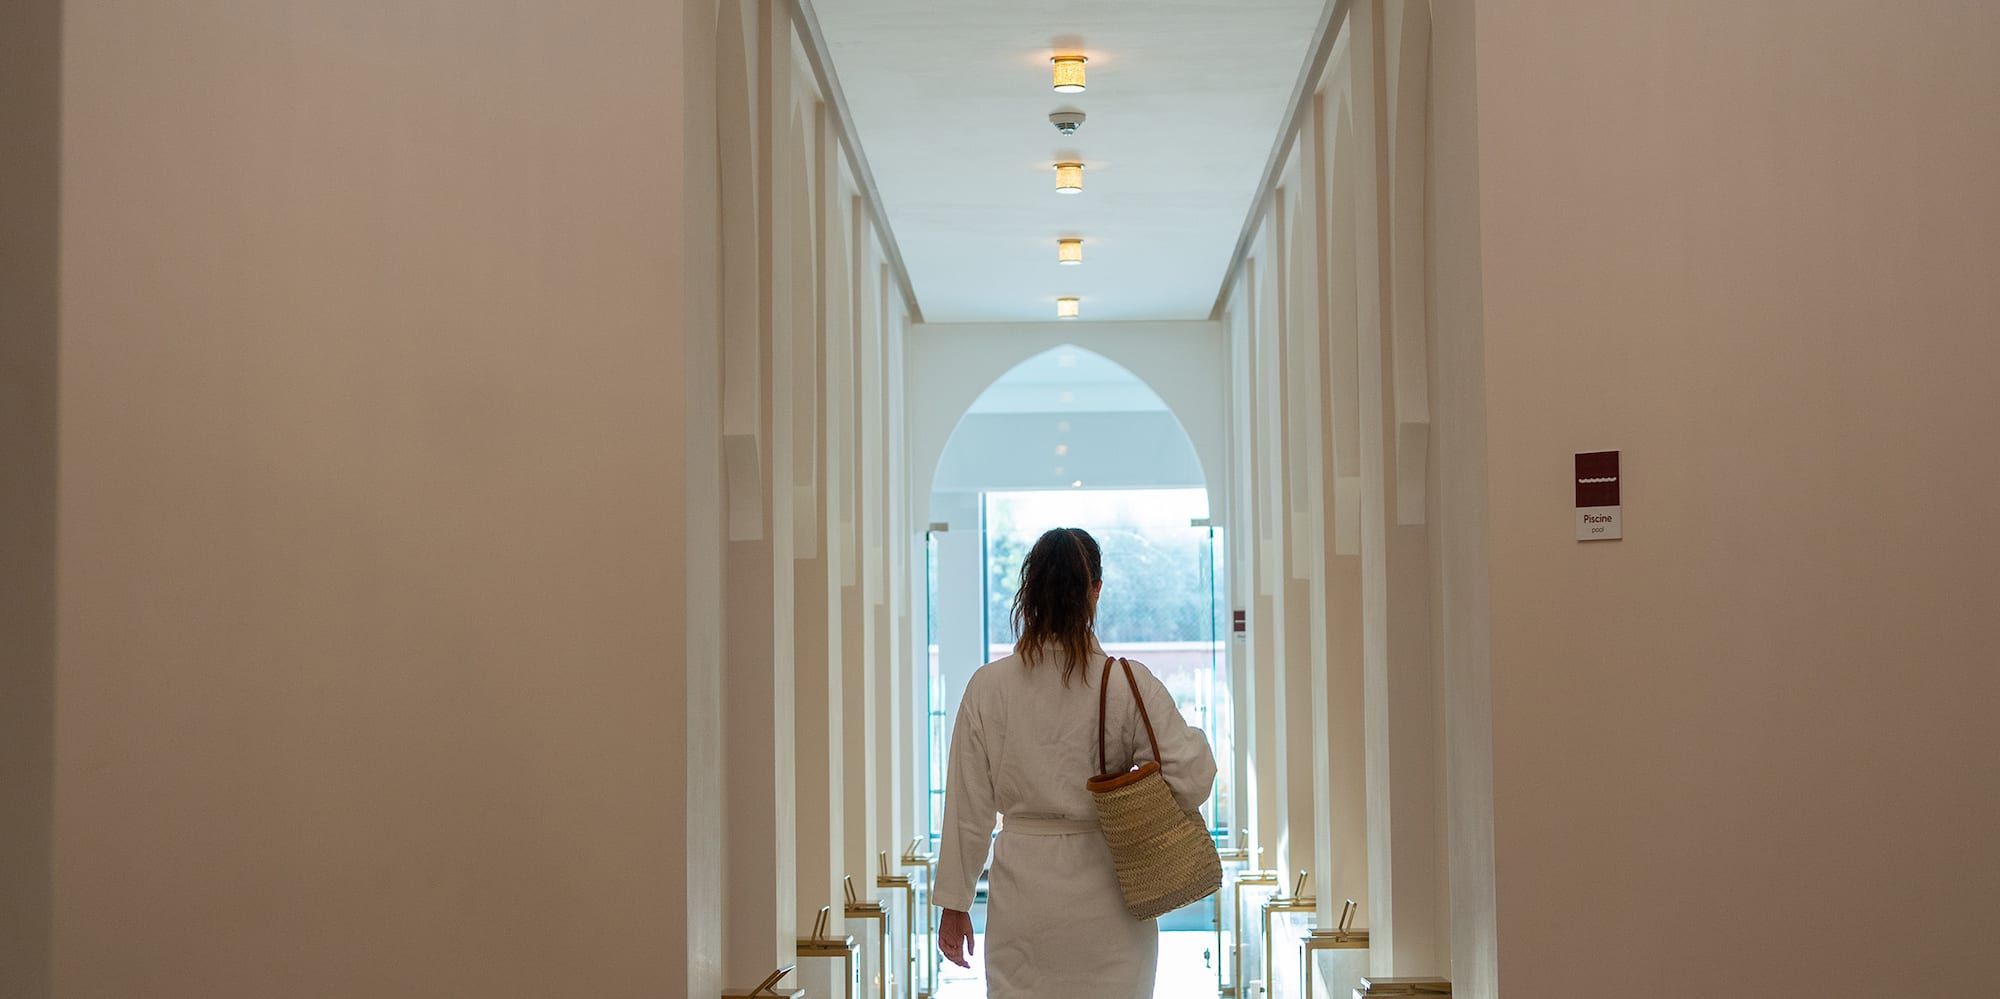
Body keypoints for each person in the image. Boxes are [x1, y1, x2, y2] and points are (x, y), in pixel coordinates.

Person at [933, 527, 1217, 999]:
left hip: (1024, 900)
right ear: (1095, 591)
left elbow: (968, 809)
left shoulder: (989, 687)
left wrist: (954, 903)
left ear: (1029, 592)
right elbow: (1193, 777)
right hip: (1113, 895)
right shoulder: (1127, 683)